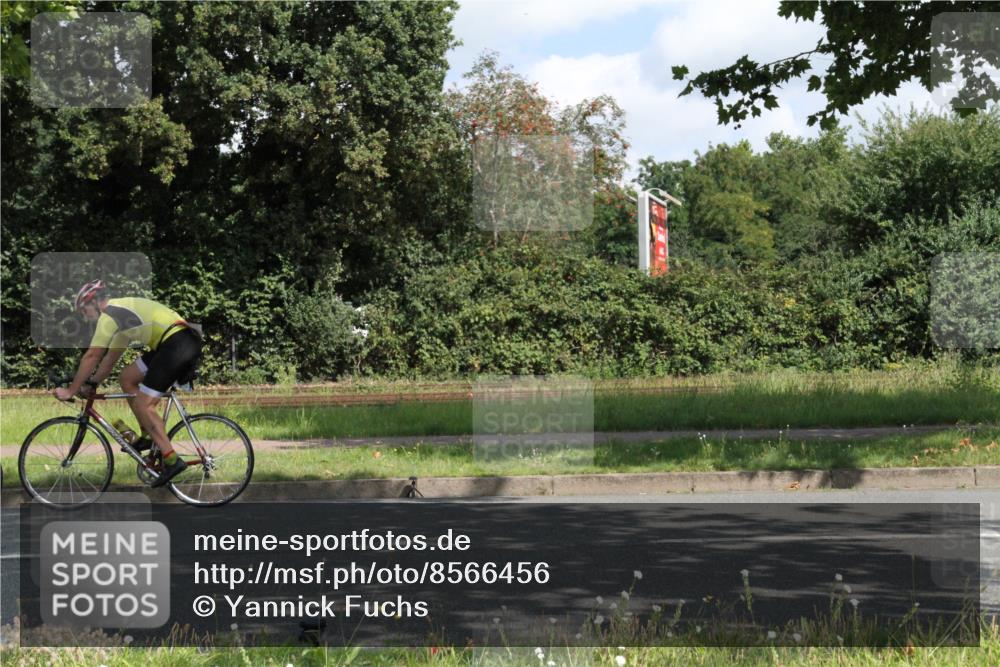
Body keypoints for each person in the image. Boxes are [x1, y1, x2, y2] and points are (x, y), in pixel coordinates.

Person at [54, 279, 203, 487]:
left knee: (144, 404)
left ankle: (171, 460)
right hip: (174, 342)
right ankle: (148, 436)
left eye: (83, 310)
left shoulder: (109, 315)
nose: (84, 315)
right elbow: (108, 361)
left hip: (177, 343)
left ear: (94, 303)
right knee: (127, 377)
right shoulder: (120, 320)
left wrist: (71, 390)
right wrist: (91, 384)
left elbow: (92, 355)